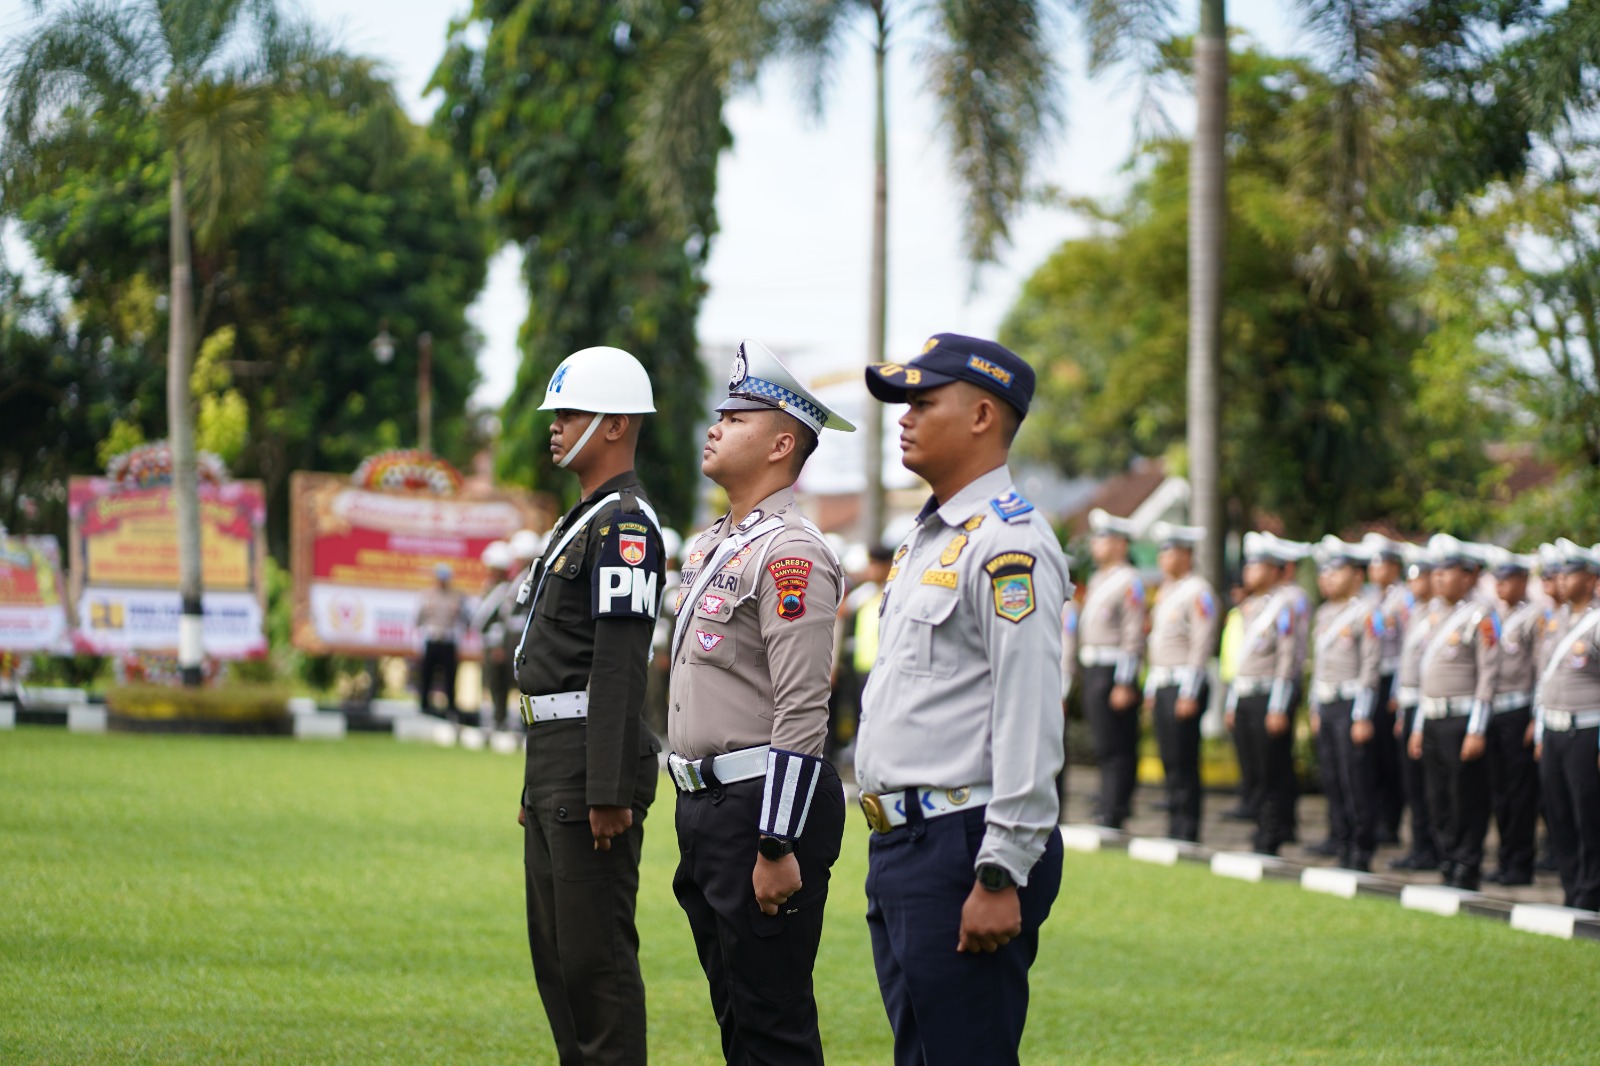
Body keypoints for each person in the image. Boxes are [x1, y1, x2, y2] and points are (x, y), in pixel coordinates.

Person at [855, 333, 1068, 1066]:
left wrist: (1001, 868)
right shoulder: (928, 538)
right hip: (905, 843)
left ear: (982, 416)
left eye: (923, 402)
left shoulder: (1010, 543)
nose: (905, 418)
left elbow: (1030, 712)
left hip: (964, 845)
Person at [666, 339, 852, 1065]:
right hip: (708, 806)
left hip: (761, 809)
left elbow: (803, 706)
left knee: (772, 1025)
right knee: (738, 1019)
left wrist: (777, 840)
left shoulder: (790, 552)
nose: (716, 427)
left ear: (781, 444)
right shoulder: (715, 543)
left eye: (736, 418)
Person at [511, 345, 665, 1066]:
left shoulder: (625, 525)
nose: (554, 425)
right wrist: (532, 784)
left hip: (587, 767)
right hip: (555, 759)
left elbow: (617, 665)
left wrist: (608, 789)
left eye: (569, 413)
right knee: (559, 968)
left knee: (595, 970)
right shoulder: (584, 518)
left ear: (615, 424)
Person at [1408, 534, 1500, 890]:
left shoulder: (1481, 614)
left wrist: (1477, 729)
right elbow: (1425, 678)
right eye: (1436, 570)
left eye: (1448, 570)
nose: (1439, 577)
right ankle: (1447, 858)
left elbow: (1488, 675)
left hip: (1462, 719)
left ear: (1468, 575)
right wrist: (1418, 726)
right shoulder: (1431, 614)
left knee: (1466, 796)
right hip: (1432, 717)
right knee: (1438, 795)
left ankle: (1466, 863)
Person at [1224, 533, 1305, 856]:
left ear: (1273, 570)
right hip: (1246, 693)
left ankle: (1272, 832)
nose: (1249, 572)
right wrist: (1232, 701)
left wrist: (1279, 706)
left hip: (1268, 694)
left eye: (1257, 566)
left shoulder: (1284, 605)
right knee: (1253, 768)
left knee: (1272, 768)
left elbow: (1287, 658)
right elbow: (1240, 661)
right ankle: (1262, 825)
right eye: (1249, 565)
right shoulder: (1251, 606)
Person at [1308, 536, 1383, 871]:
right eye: (1325, 572)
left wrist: (1362, 715)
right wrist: (1314, 707)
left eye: (1335, 571)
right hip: (1327, 702)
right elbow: (1318, 666)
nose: (1327, 578)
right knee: (1332, 776)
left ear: (1356, 575)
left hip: (1352, 705)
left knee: (1356, 779)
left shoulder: (1367, 611)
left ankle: (1361, 848)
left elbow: (1370, 666)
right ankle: (1340, 840)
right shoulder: (1325, 613)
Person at [1533, 539, 1600, 910]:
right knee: (1558, 813)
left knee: (1587, 812)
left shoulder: (1596, 620)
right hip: (1555, 728)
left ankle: (1591, 891)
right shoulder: (1555, 619)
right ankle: (1572, 887)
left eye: (1570, 572)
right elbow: (1545, 677)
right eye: (1559, 573)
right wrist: (1541, 730)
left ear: (1590, 578)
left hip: (1586, 730)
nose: (1560, 579)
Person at [1143, 521, 1220, 842]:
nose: (1163, 558)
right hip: (1165, 682)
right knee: (1170, 759)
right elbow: (1157, 643)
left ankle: (1187, 828)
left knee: (1184, 760)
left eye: (1169, 551)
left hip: (1184, 685)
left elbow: (1201, 644)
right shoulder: (1167, 590)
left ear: (1186, 554)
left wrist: (1189, 692)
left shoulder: (1198, 591)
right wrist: (1151, 687)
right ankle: (1175, 824)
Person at [1079, 506, 1146, 829]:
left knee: (1117, 745)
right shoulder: (1098, 579)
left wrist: (1125, 681)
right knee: (1104, 743)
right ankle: (1108, 801)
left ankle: (1115, 809)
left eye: (1102, 538)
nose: (1096, 544)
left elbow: (1133, 635)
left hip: (1113, 669)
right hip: (1093, 666)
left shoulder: (1129, 580)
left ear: (1120, 544)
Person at [1481, 546, 1543, 885]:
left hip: (1520, 711)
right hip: (1495, 711)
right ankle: (1505, 858)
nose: (1500, 585)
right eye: (1497, 579)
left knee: (1520, 792)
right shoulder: (1494, 616)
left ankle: (1520, 862)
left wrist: (1536, 716)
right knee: (1500, 791)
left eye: (1507, 579)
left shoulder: (1534, 616)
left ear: (1522, 580)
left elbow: (1541, 670)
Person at [1388, 546, 1443, 871]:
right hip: (1409, 705)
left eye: (1419, 576)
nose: (1413, 584)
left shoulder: (1440, 616)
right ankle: (1420, 845)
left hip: (1427, 707)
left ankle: (1433, 847)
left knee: (1429, 785)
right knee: (1412, 784)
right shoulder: (1418, 612)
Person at [1360, 533, 1408, 843]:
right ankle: (1375, 817)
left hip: (1392, 678)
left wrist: (1397, 691)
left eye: (1379, 564)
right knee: (1371, 754)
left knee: (1390, 757)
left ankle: (1390, 821)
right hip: (1371, 680)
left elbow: (1408, 647)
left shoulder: (1404, 599)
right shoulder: (1368, 598)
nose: (1373, 570)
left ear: (1393, 566)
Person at [470, 540, 516, 731]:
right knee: (490, 681)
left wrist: (498, 645)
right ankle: (495, 717)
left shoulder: (506, 590)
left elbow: (502, 620)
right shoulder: (488, 587)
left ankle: (500, 719)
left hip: (499, 645)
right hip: (488, 644)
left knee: (500, 682)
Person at [416, 562, 469, 720]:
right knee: (427, 675)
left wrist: (458, 614)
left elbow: (466, 620)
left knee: (450, 677)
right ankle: (424, 706)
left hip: (448, 640)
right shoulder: (427, 595)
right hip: (432, 639)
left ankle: (451, 708)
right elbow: (418, 619)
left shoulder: (457, 596)